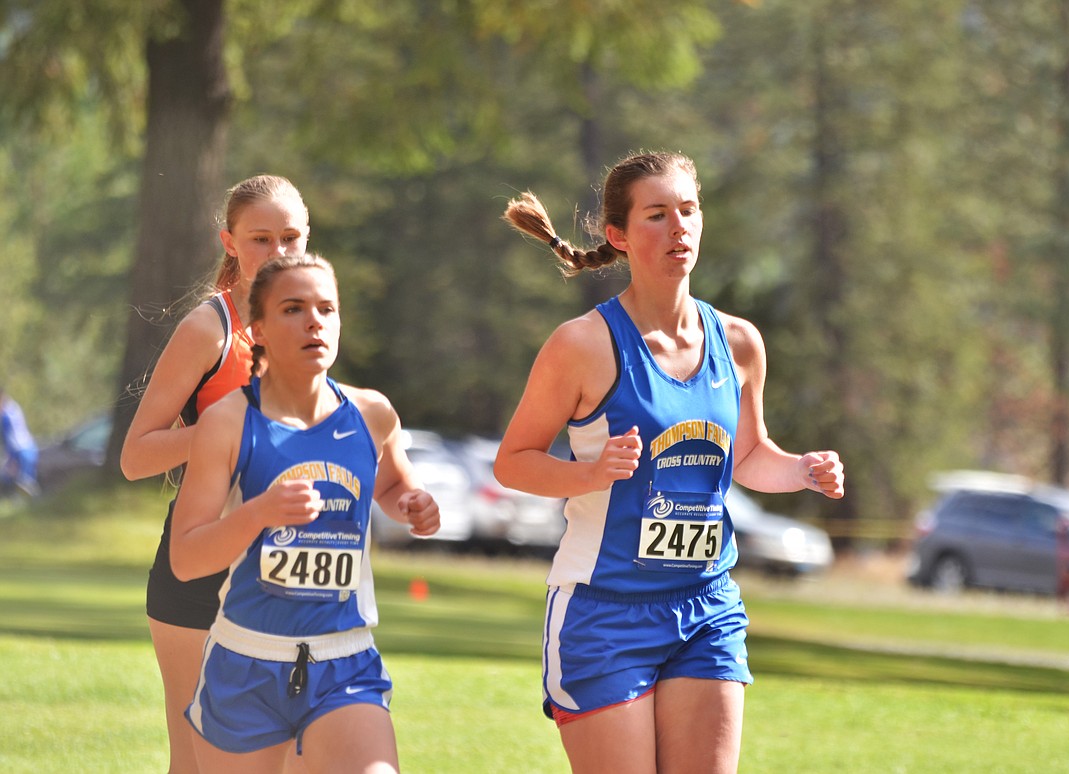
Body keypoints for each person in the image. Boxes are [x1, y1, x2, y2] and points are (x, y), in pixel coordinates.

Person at [494, 150, 845, 773]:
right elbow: (513, 462)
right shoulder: (583, 344)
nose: (678, 226)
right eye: (657, 215)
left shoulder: (738, 342)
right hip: (604, 610)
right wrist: (588, 474)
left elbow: (750, 455)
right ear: (619, 236)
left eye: (688, 210)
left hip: (706, 606)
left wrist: (801, 470)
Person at [170, 253, 440, 772]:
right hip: (245, 662)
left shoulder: (372, 413)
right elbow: (186, 559)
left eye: (326, 308)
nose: (314, 321)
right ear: (260, 330)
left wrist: (415, 504)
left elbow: (395, 485)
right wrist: (260, 513)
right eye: (293, 308)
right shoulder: (229, 422)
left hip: (344, 661)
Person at [120, 174, 310, 774]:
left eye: (290, 238)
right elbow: (136, 456)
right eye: (261, 239)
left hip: (283, 570)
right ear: (229, 242)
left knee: (286, 758)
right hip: (198, 567)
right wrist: (226, 429)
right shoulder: (209, 329)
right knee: (198, 763)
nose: (278, 253)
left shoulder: (311, 324)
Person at [0, 386, 39, 497]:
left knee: (22, 483)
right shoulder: (13, 407)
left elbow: (11, 438)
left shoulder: (6, 415)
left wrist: (11, 458)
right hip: (28, 446)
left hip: (20, 450)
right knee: (26, 481)